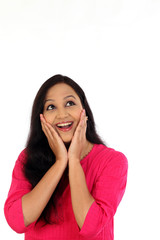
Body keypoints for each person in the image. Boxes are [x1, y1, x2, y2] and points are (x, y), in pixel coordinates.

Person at [4, 74, 128, 240]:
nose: (62, 115)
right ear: (41, 118)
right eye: (51, 107)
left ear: (83, 110)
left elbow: (90, 226)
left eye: (70, 103)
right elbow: (17, 222)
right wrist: (60, 162)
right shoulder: (28, 158)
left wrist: (74, 161)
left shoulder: (111, 161)